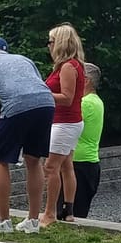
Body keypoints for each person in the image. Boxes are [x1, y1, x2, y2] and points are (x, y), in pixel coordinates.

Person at [0, 36, 51, 234]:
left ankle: (2, 221)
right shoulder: (25, 60)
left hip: (17, 104)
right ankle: (33, 222)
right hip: (46, 103)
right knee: (34, 160)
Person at [40, 23, 88, 227]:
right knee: (66, 165)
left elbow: (67, 98)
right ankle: (68, 210)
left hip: (64, 122)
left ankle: (50, 212)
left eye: (50, 42)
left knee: (50, 167)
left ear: (59, 43)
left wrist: (42, 94)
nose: (48, 46)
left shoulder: (68, 67)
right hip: (69, 122)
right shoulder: (73, 65)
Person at [60, 63, 104, 221]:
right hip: (86, 165)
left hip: (79, 166)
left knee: (70, 215)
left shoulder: (85, 103)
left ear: (85, 81)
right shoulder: (96, 101)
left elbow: (64, 122)